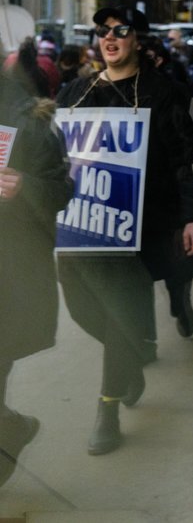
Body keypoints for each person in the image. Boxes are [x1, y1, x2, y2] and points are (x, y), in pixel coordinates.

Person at [56, 6, 193, 455]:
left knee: (121, 310)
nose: (110, 37)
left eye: (120, 31)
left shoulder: (163, 93)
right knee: (85, 308)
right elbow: (52, 149)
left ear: (136, 40)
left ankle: (107, 409)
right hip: (81, 227)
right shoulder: (75, 92)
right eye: (102, 31)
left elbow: (187, 158)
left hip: (140, 227)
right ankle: (130, 357)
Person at [0, 65, 73, 486]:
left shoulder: (30, 118)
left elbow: (61, 189)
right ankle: (12, 426)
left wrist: (23, 185)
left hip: (9, 277)